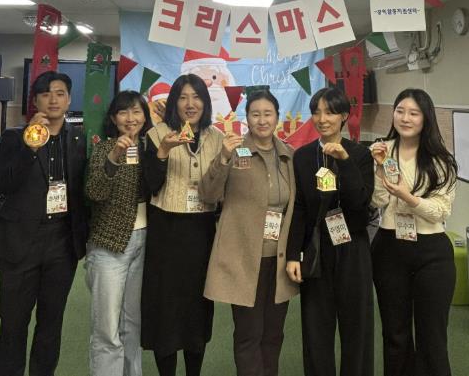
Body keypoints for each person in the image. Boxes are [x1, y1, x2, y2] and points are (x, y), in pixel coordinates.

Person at [0, 70, 88, 376]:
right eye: (46, 94)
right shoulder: (13, 137)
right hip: (21, 243)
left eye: (60, 93)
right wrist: (29, 147)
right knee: (13, 324)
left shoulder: (78, 138)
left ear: (69, 99)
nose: (53, 99)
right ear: (35, 101)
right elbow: (3, 184)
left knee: (51, 324)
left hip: (62, 243)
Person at [200, 88, 298, 376]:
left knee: (274, 334)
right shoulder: (233, 151)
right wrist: (223, 157)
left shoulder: (289, 155)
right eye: (255, 114)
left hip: (279, 259)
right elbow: (208, 194)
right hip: (244, 259)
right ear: (247, 118)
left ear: (277, 117)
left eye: (268, 114)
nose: (262, 120)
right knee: (248, 334)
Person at [286, 87, 374, 376]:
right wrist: (293, 254)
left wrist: (345, 161)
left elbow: (360, 205)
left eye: (330, 112)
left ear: (344, 116)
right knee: (316, 329)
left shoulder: (360, 155)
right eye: (316, 112)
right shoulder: (303, 156)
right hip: (317, 248)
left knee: (357, 328)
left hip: (353, 247)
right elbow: (299, 207)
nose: (322, 119)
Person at [141, 74, 225, 376]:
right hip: (166, 230)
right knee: (165, 309)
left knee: (196, 309)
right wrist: (163, 152)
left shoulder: (217, 137)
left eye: (197, 96)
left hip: (201, 232)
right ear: (174, 103)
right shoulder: (156, 134)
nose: (190, 104)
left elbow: (222, 188)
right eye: (183, 97)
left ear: (205, 102)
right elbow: (149, 185)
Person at [370, 88, 458, 376]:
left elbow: (441, 211)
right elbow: (378, 200)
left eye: (413, 113)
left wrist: (408, 197)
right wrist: (379, 169)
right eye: (400, 111)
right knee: (395, 334)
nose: (405, 118)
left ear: (425, 118)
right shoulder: (382, 151)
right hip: (389, 248)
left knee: (432, 336)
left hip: (432, 252)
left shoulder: (440, 159)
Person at [85, 90, 156, 376]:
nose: (130, 118)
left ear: (145, 117)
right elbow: (95, 192)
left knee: (132, 323)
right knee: (107, 328)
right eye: (123, 112)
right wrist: (113, 158)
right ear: (114, 119)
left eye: (137, 111)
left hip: (144, 242)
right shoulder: (104, 148)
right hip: (109, 245)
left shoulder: (151, 148)